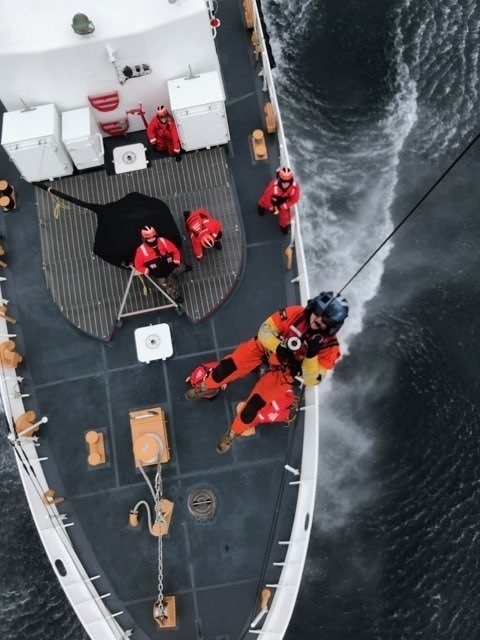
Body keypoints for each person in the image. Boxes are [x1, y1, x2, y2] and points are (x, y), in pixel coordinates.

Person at [185, 291, 348, 453]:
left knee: (253, 407)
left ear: (332, 326)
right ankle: (207, 387)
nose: (317, 320)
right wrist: (278, 346)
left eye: (324, 321)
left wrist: (311, 355)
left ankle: (234, 432)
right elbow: (265, 330)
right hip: (264, 349)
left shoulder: (329, 349)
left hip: (285, 372)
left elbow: (313, 380)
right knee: (224, 369)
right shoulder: (294, 313)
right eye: (317, 313)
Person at [133, 226, 191, 303]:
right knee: (170, 286)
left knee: (179, 268)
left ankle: (183, 268)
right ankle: (176, 296)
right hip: (160, 275)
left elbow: (175, 251)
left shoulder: (163, 241)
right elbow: (138, 266)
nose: (152, 239)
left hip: (172, 266)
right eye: (149, 238)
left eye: (153, 237)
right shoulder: (141, 251)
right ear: (144, 239)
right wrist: (148, 271)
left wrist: (176, 261)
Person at [258, 166, 301, 234]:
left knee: (285, 218)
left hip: (282, 204)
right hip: (271, 201)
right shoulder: (272, 186)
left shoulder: (295, 188)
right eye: (283, 181)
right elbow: (267, 198)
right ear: (280, 179)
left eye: (288, 181)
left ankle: (283, 226)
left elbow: (294, 199)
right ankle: (260, 207)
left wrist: (282, 207)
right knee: (263, 202)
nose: (285, 184)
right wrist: (272, 208)